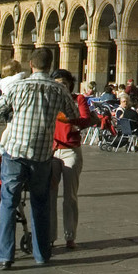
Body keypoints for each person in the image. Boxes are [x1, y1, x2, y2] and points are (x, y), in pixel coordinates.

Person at [0, 47, 73, 269]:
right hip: (42, 155)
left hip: (15, 152)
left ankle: (5, 256)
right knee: (40, 203)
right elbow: (72, 114)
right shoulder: (59, 90)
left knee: (8, 202)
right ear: (50, 66)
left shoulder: (18, 87)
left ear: (31, 65)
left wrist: (14, 115)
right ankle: (41, 254)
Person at [49, 70, 95, 251]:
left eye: (64, 82)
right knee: (50, 195)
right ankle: (50, 236)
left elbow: (85, 119)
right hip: (52, 150)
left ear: (70, 84)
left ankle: (70, 236)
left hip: (71, 151)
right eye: (57, 82)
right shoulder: (49, 99)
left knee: (70, 196)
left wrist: (67, 119)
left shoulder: (78, 99)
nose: (61, 86)